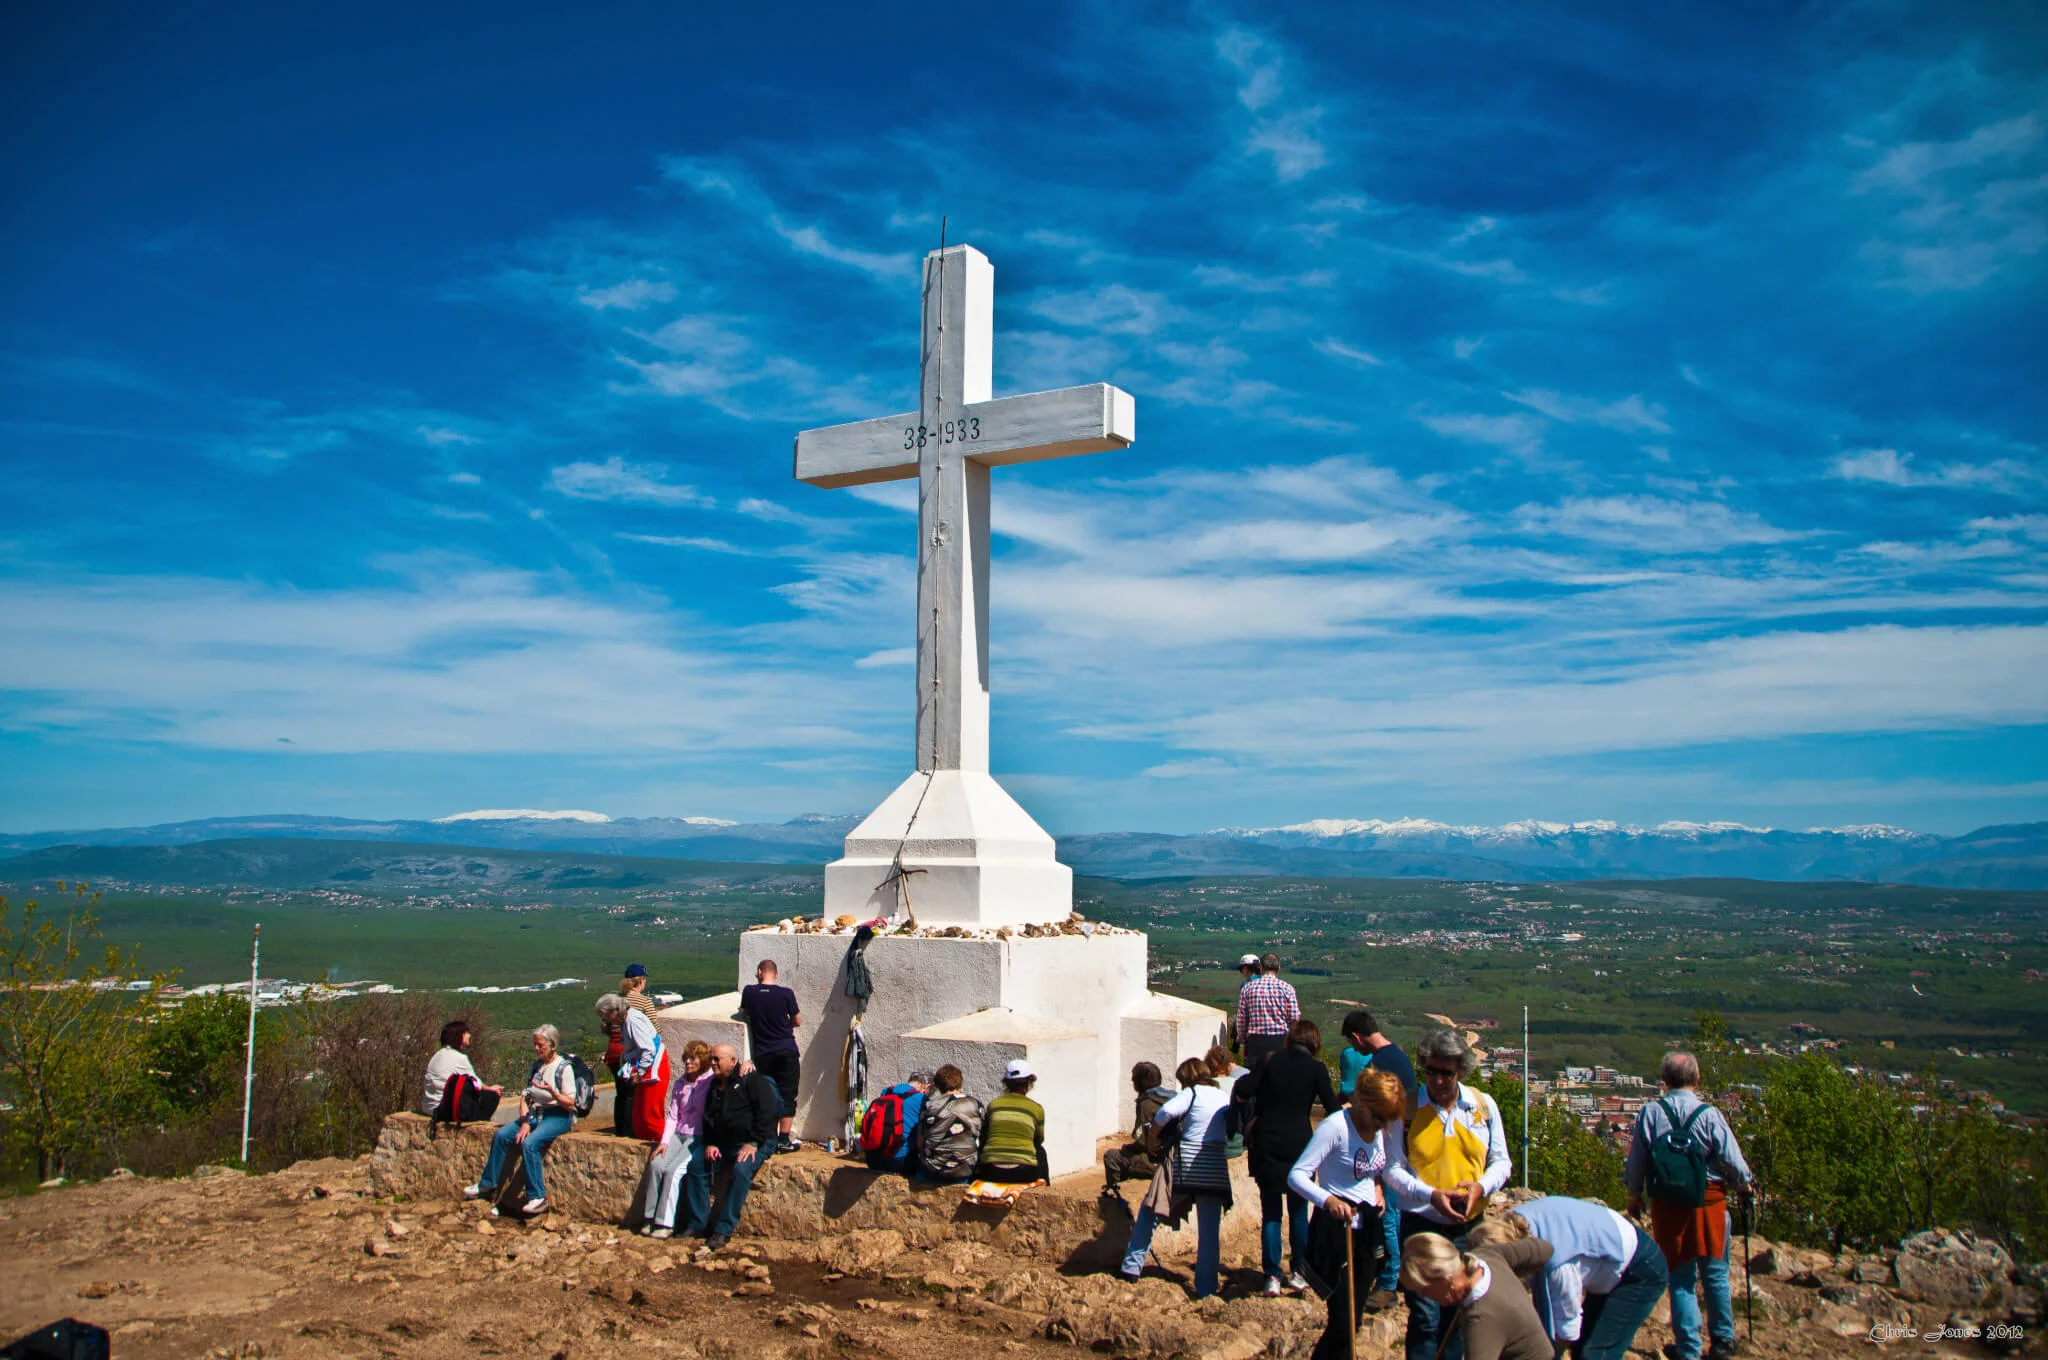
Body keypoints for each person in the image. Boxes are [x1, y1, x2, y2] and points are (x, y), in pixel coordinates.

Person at [1384, 1027, 1513, 1360]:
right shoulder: (1407, 1108)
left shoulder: (1483, 1107)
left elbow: (1501, 1162)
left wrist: (1481, 1187)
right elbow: (1393, 1169)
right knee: (1425, 1315)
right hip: (1422, 1224)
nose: (1438, 1080)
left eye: (1446, 1073)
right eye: (1431, 1071)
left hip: (1470, 1226)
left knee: (1459, 1314)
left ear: (1461, 1071)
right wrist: (1430, 1195)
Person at [1624, 1052, 1754, 1360]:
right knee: (1715, 1273)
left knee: (1680, 1277)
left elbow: (1638, 1159)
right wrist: (1744, 1184)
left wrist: (1634, 1193)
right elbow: (1732, 1158)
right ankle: (1722, 1340)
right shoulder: (1708, 1115)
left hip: (1668, 1203)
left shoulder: (1652, 1113)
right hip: (1708, 1200)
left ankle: (1689, 1347)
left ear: (1664, 1081)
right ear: (1697, 1079)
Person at [1288, 1070, 1408, 1360]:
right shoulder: (1335, 1127)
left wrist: (1378, 1187)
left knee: (1353, 1320)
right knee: (1342, 1322)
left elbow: (1378, 1169)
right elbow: (1297, 1176)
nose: (1382, 1126)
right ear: (1362, 1104)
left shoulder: (1383, 1128)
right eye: (1378, 1118)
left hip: (1367, 1227)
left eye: (1387, 1120)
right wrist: (1327, 1199)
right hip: (1336, 1229)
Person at [1468, 1196, 1670, 1360]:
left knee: (1596, 1355)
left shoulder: (1558, 1264)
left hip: (1640, 1271)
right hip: (1613, 1255)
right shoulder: (1519, 1221)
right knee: (1583, 1349)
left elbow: (1566, 1330)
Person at [1235, 1018, 1341, 1296]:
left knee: (1271, 1212)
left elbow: (1244, 1090)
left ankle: (1271, 1275)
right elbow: (1332, 1107)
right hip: (1300, 1145)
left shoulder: (1270, 1061)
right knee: (1298, 1212)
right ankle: (1299, 1272)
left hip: (1267, 1143)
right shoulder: (1317, 1069)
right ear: (1314, 1042)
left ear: (1289, 1039)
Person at [1120, 1056, 1233, 1298]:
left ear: (1188, 1079)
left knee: (1151, 1210)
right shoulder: (1224, 1096)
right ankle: (1206, 1287)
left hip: (1187, 1164)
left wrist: (1152, 1141)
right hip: (1215, 1167)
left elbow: (1164, 1114)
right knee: (1209, 1231)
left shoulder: (1191, 1094)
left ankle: (1131, 1267)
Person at [1340, 1009, 1418, 1311]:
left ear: (1358, 1037)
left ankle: (1388, 1283)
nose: (1354, 1048)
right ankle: (1392, 1275)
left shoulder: (1382, 1063)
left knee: (1389, 1215)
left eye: (1352, 1041)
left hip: (1391, 1147)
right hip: (1401, 1144)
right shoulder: (1396, 1054)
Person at [464, 1025, 578, 1216]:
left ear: (552, 1045)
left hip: (557, 1114)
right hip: (535, 1114)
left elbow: (570, 1103)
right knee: (501, 1135)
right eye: (535, 1044)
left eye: (540, 1045)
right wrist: (525, 1121)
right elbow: (525, 1096)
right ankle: (488, 1183)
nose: (536, 1049)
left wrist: (553, 1093)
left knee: (530, 1144)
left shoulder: (563, 1068)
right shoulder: (536, 1067)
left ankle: (538, 1196)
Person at [1401, 1232, 1555, 1360]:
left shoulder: (1481, 1320)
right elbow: (1543, 1249)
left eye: (1423, 1288)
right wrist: (1510, 1279)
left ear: (1444, 1279)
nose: (1422, 1294)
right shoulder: (1487, 1256)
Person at [697, 1042, 780, 1250]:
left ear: (733, 1061)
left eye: (717, 1059)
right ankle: (697, 1223)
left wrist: (754, 1142)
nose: (713, 1063)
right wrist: (710, 1143)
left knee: (742, 1170)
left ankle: (723, 1229)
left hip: (756, 1142)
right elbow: (708, 1118)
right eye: (712, 1059)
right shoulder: (714, 1085)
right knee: (696, 1167)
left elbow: (766, 1112)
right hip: (725, 1143)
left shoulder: (751, 1080)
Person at [640, 1039, 714, 1238]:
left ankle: (665, 1222)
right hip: (678, 1133)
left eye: (693, 1059)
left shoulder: (710, 1082)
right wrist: (664, 1142)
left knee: (673, 1171)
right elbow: (673, 1115)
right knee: (656, 1165)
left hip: (696, 1136)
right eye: (687, 1058)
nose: (688, 1062)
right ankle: (649, 1216)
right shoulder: (680, 1082)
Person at [739, 959, 803, 1153]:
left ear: (759, 972)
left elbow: (745, 1013)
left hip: (763, 1053)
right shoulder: (786, 993)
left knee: (768, 1095)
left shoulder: (749, 992)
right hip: (786, 1049)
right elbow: (797, 1021)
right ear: (776, 974)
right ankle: (784, 1140)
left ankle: (769, 1138)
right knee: (788, 1095)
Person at [597, 992, 670, 1141]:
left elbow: (648, 1048)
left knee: (650, 1114)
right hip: (643, 1066)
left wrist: (641, 1072)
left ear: (614, 1011)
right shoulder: (625, 1021)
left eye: (605, 1016)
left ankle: (660, 1148)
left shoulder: (633, 1020)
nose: (605, 1020)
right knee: (639, 1115)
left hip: (652, 1067)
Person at [1102, 1061, 1173, 1196]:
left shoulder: (1146, 1104)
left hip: (1157, 1162)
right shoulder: (1169, 1097)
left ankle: (1116, 1196)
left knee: (1112, 1156)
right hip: (1173, 1158)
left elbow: (1142, 1141)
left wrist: (1127, 1149)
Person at [975, 1058, 1050, 1183]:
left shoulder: (993, 1105)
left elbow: (984, 1137)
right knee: (1040, 1151)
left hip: (991, 1171)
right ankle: (1045, 1187)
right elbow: (1038, 1140)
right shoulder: (1036, 1109)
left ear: (1007, 1083)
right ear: (1029, 1083)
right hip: (1023, 1172)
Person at [423, 1018, 502, 1122]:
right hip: (442, 1109)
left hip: (428, 1107)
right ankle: (477, 1125)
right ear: (459, 1036)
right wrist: (491, 1089)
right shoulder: (459, 1058)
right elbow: (476, 1084)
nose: (469, 1035)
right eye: (466, 1032)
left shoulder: (437, 1055)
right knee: (492, 1096)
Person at [915, 1064, 983, 1183]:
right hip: (966, 1170)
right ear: (960, 1082)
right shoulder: (976, 1104)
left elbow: (920, 1143)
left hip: (934, 1171)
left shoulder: (929, 1106)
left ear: (938, 1085)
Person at [1235, 954, 1300, 1068]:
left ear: (1261, 968)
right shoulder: (1287, 988)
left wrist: (1243, 1042)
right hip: (1281, 1041)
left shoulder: (1247, 988)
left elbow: (1241, 1020)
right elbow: (1294, 1018)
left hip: (1256, 1041)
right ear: (1278, 968)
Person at [862, 1070, 931, 1173]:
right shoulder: (922, 1100)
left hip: (872, 1159)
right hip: (899, 1163)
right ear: (925, 1087)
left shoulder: (886, 1092)